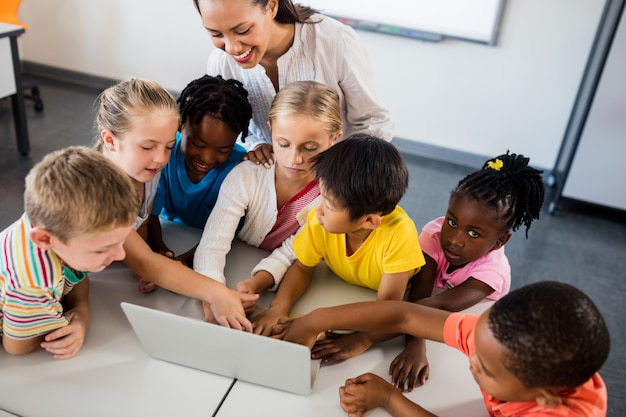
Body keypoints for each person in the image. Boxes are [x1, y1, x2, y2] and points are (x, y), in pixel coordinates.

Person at [312, 152, 546, 392]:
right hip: (424, 318)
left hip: (461, 331)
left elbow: (435, 307)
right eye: (452, 222)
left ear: (500, 240)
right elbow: (418, 296)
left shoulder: (491, 274)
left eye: (473, 234)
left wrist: (368, 337)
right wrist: (413, 342)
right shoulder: (435, 233)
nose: (454, 240)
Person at [274, 281, 610, 417]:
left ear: (545, 397)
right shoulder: (499, 340)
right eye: (475, 346)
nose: (472, 362)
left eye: (488, 371)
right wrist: (314, 321)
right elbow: (405, 315)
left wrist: (390, 399)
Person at [96, 78, 256, 330]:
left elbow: (142, 229)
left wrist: (155, 257)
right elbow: (144, 262)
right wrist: (217, 293)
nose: (160, 158)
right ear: (110, 140)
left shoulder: (147, 171)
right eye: (148, 146)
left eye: (169, 146)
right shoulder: (103, 190)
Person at [194, 80, 342, 323]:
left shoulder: (332, 195)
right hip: (239, 259)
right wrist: (215, 293)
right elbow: (213, 245)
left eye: (310, 148)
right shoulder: (247, 175)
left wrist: (256, 283)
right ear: (270, 128)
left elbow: (290, 253)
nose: (294, 159)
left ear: (334, 139)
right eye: (283, 144)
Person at [252, 135, 425, 336]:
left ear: (369, 221)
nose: (318, 209)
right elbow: (302, 267)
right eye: (321, 196)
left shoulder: (399, 234)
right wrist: (278, 309)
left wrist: (357, 339)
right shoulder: (320, 220)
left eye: (329, 205)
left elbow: (387, 309)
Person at [193, 0, 394, 167]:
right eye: (216, 34)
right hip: (268, 176)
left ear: (271, 6)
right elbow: (227, 128)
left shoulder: (335, 41)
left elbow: (374, 121)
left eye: (243, 30)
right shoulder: (221, 62)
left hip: (335, 173)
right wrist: (255, 144)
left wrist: (340, 168)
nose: (232, 48)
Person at [0, 147, 140, 359]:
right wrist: (82, 318)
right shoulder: (33, 284)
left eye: (121, 241)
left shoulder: (51, 222)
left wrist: (81, 308)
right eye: (103, 249)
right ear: (45, 239)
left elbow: (75, 275)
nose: (121, 255)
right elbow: (18, 347)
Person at [146, 74, 252, 269]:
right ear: (180, 126)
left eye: (222, 150)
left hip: (209, 245)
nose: (206, 158)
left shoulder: (240, 167)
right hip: (169, 232)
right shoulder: (165, 155)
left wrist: (186, 259)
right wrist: (162, 252)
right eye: (197, 144)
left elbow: (225, 232)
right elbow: (150, 215)